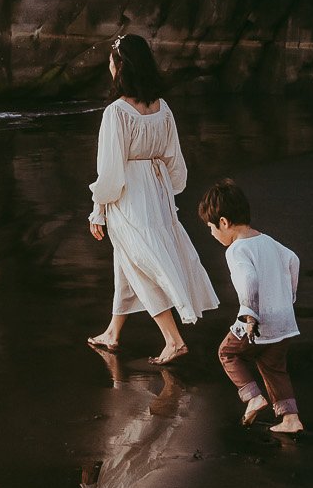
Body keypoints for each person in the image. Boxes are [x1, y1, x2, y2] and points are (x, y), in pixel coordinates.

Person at [85, 34, 218, 364]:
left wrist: (97, 210)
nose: (109, 67)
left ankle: (174, 340)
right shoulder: (162, 108)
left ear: (121, 67)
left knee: (141, 264)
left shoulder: (116, 113)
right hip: (156, 192)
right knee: (129, 260)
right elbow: (175, 161)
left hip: (128, 196)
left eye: (112, 62)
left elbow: (111, 173)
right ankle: (114, 332)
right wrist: (164, 192)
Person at [199, 177, 304, 434]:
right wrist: (288, 297)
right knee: (273, 367)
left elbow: (248, 279)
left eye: (211, 228)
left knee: (228, 352)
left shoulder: (236, 250)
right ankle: (291, 419)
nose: (212, 234)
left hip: (257, 319)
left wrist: (249, 313)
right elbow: (293, 260)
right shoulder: (268, 241)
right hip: (283, 320)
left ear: (224, 222)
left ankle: (253, 398)